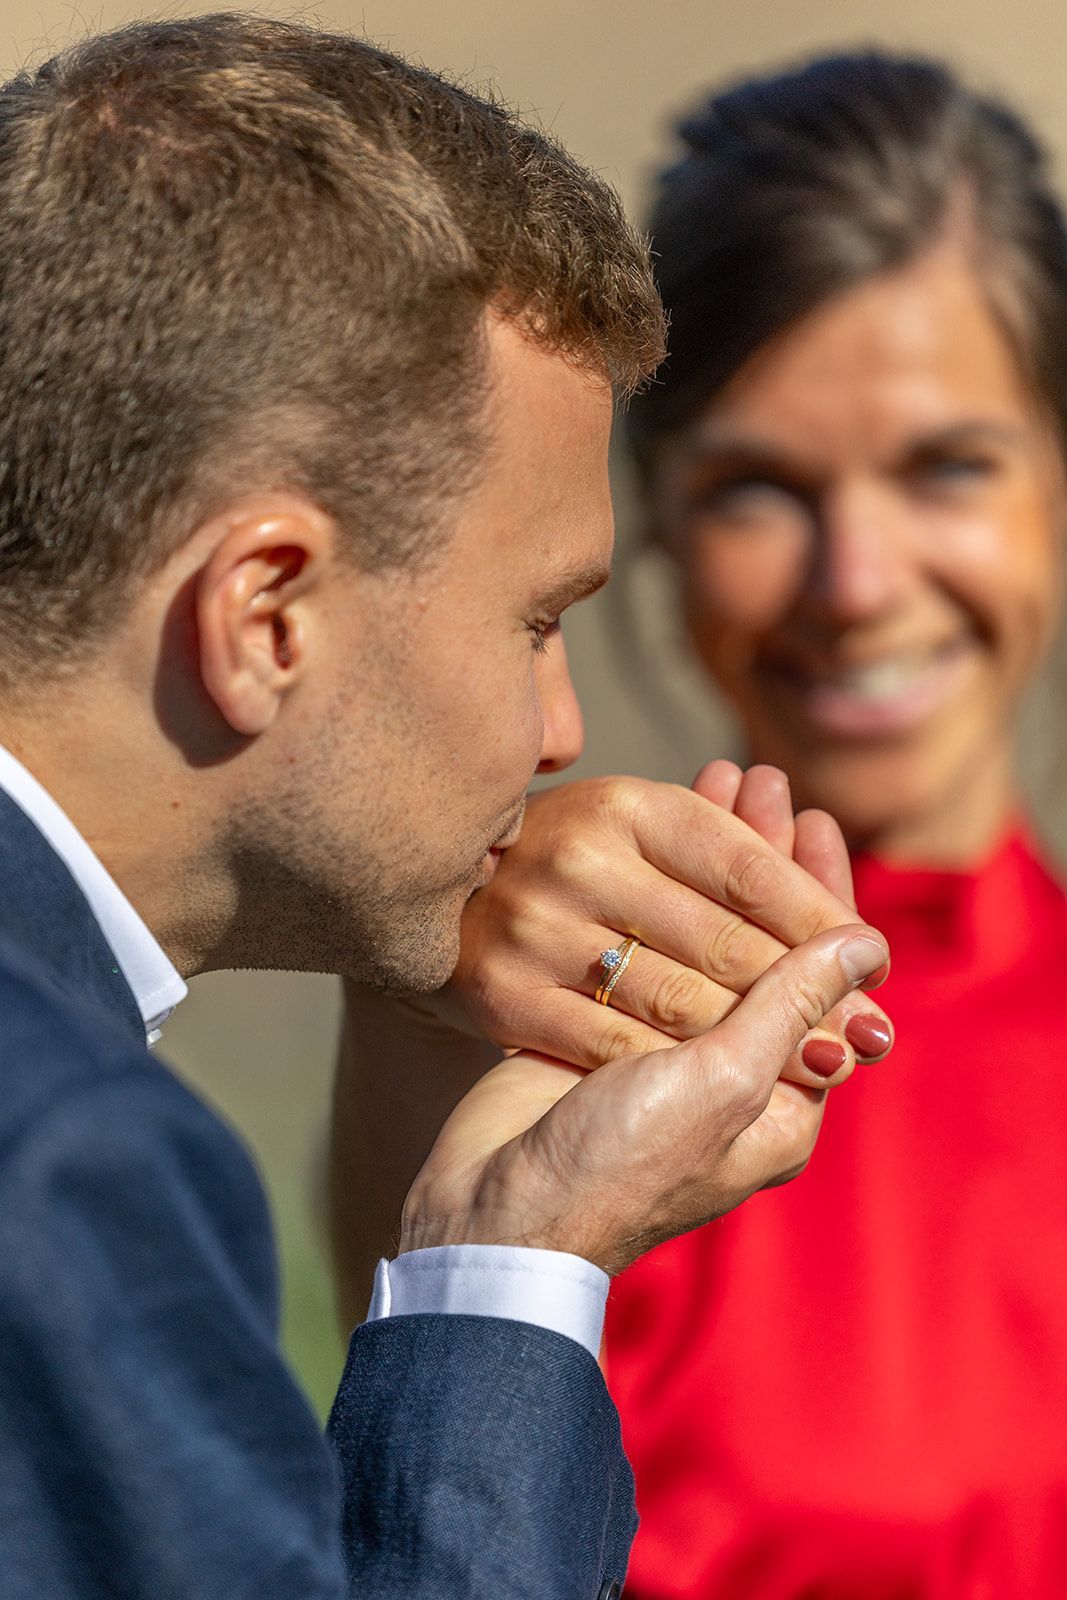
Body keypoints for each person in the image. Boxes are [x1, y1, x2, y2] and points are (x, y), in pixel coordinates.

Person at [0, 15, 894, 1598]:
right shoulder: (62, 1171)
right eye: (536, 620)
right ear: (266, 612)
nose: (562, 733)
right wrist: (515, 1281)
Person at [329, 49, 1067, 1598]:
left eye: (948, 466)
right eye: (760, 490)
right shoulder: (529, 992)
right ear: (647, 513)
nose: (857, 582)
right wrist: (443, 945)